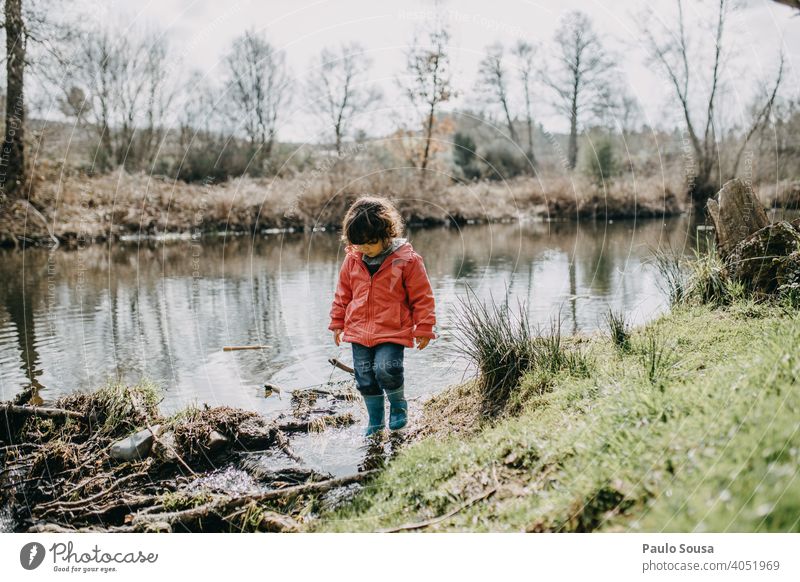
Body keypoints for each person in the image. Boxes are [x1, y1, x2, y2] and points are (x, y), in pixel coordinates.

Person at [328, 196, 436, 435]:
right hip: (358, 330)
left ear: (388, 233)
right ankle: (375, 420)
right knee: (365, 377)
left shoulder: (407, 261)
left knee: (387, 368)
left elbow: (422, 297)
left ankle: (398, 407)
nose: (365, 248)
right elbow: (343, 293)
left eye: (370, 242)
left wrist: (425, 327)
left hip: (392, 329)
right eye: (359, 243)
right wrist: (337, 322)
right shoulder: (352, 260)